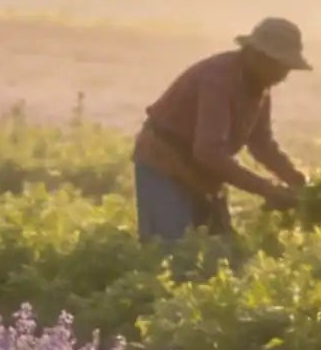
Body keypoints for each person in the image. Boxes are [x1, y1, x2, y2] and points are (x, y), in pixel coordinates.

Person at [132, 16, 310, 242]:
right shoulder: (218, 79)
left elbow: (261, 143)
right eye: (281, 66)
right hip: (164, 163)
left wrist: (295, 178)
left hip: (203, 173)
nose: (284, 76)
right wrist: (266, 189)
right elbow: (208, 151)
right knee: (170, 251)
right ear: (257, 56)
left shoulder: (259, 87)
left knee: (220, 250)